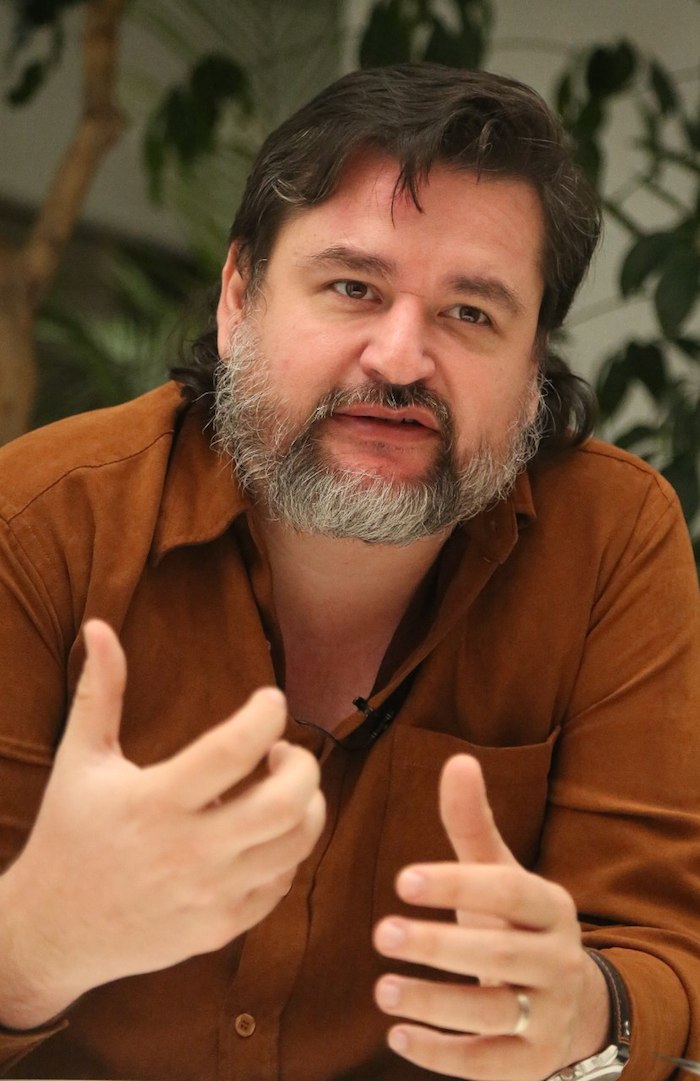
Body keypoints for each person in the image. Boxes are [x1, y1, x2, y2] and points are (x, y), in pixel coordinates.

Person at [0, 62, 698, 1081]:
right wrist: (34, 948)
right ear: (238, 299)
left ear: (534, 367)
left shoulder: (612, 541)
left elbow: (662, 953)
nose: (400, 358)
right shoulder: (36, 522)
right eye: (353, 288)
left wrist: (586, 1011)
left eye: (471, 313)